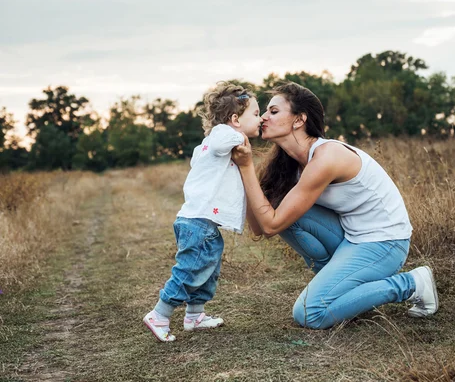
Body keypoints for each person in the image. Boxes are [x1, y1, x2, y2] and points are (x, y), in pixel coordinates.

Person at [232, 82, 438, 330]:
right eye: (265, 111)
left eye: (273, 112)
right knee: (287, 215)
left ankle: (412, 283)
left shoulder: (327, 157)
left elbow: (270, 224)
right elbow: (260, 226)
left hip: (385, 243)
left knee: (309, 313)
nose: (263, 117)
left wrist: (246, 167)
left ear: (299, 120)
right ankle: (340, 290)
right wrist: (241, 171)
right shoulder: (290, 165)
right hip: (351, 237)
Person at [143, 82, 262, 342]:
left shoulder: (208, 145)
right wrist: (240, 136)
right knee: (190, 270)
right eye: (255, 113)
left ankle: (195, 315)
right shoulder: (222, 135)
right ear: (234, 119)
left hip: (202, 222)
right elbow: (222, 138)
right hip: (198, 222)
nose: (261, 118)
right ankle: (160, 314)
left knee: (208, 269)